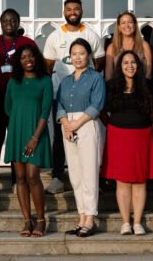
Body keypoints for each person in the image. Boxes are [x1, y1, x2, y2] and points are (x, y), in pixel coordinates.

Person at [43, 0, 105, 194]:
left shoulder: (90, 34)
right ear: (64, 11)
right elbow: (48, 66)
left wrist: (85, 84)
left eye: (76, 9)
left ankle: (94, 177)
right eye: (69, 9)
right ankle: (57, 177)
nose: (72, 12)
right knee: (61, 137)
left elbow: (100, 62)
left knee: (90, 137)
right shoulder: (54, 36)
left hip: (85, 97)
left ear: (81, 10)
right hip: (61, 95)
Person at [0, 9, 37, 199]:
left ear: (19, 22)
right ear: (1, 22)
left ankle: (16, 181)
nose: (9, 23)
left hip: (20, 101)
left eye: (13, 20)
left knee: (17, 141)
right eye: (5, 20)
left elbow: (37, 67)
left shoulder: (27, 43)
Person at [101, 51, 153, 235]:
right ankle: (126, 222)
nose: (130, 66)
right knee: (123, 182)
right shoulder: (111, 86)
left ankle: (138, 222)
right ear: (120, 66)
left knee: (140, 181)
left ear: (138, 65)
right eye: (126, 62)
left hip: (142, 136)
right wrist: (112, 127)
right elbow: (103, 111)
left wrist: (144, 125)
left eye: (133, 62)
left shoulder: (147, 86)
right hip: (118, 136)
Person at [56, 38, 105, 237]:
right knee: (75, 175)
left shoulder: (96, 78)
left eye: (81, 53)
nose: (77, 57)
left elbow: (97, 103)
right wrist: (66, 124)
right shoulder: (66, 81)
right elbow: (58, 104)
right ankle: (81, 215)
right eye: (74, 54)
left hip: (87, 124)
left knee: (89, 174)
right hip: (68, 127)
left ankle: (90, 218)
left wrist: (76, 123)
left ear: (89, 56)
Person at [4, 44, 53, 237]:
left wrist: (34, 137)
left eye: (31, 56)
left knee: (33, 176)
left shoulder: (45, 80)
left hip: (37, 134)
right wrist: (19, 124)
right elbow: (8, 108)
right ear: (19, 61)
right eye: (23, 57)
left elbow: (45, 110)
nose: (28, 60)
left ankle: (41, 220)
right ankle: (27, 220)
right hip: (17, 133)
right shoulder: (13, 82)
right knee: (21, 178)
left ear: (37, 58)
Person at [105, 11, 153, 80]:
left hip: (141, 87)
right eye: (123, 23)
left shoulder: (144, 45)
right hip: (118, 88)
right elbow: (108, 75)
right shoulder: (112, 47)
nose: (127, 25)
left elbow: (149, 73)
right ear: (119, 27)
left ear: (135, 25)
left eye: (130, 22)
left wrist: (144, 88)